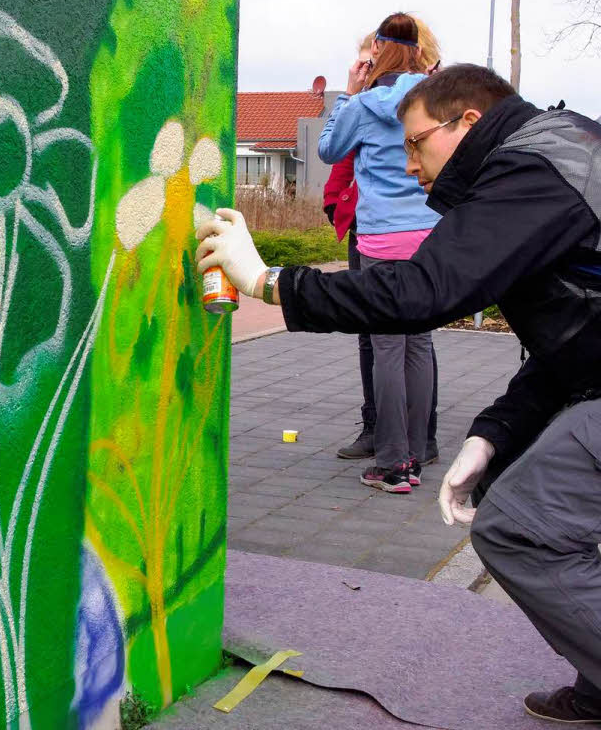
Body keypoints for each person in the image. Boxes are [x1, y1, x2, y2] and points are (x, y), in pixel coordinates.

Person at [197, 63, 601, 724]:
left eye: (416, 142)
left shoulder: (533, 170)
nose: (408, 163)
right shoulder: (556, 151)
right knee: (538, 505)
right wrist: (494, 432)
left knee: (518, 528)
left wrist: (270, 282)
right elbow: (576, 342)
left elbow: (420, 292)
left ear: (469, 121)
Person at [316, 13, 440, 493]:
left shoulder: (367, 102)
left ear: (377, 53)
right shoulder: (434, 97)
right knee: (420, 343)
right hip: (429, 237)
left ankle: (393, 465)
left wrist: (350, 89)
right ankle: (416, 452)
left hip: (382, 240)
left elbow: (329, 150)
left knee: (387, 347)